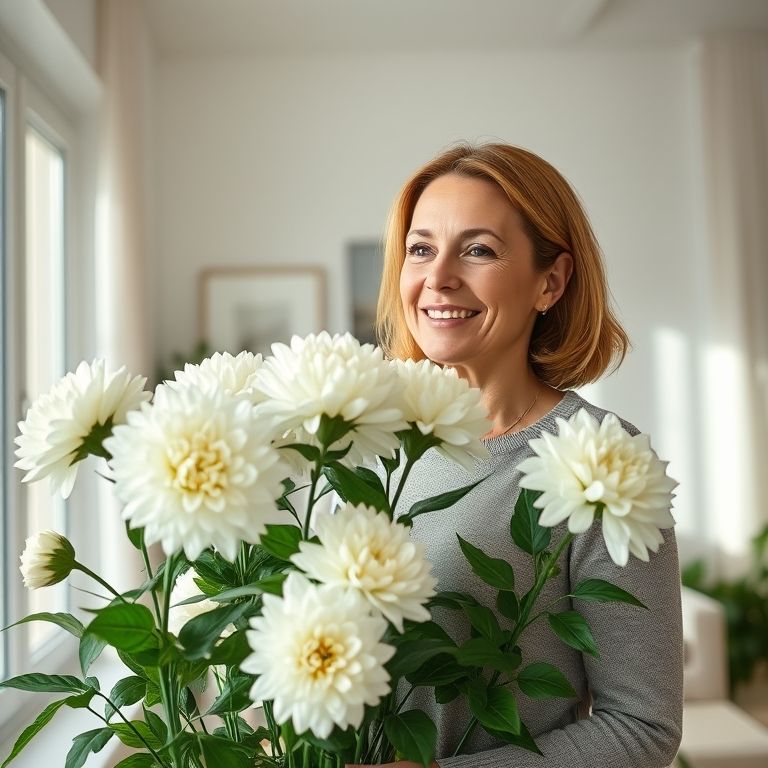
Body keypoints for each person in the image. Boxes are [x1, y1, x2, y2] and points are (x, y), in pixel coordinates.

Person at [348, 143, 683, 767]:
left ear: (550, 282)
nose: (438, 276)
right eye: (421, 248)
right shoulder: (352, 440)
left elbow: (640, 728)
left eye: (478, 250)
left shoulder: (607, 465)